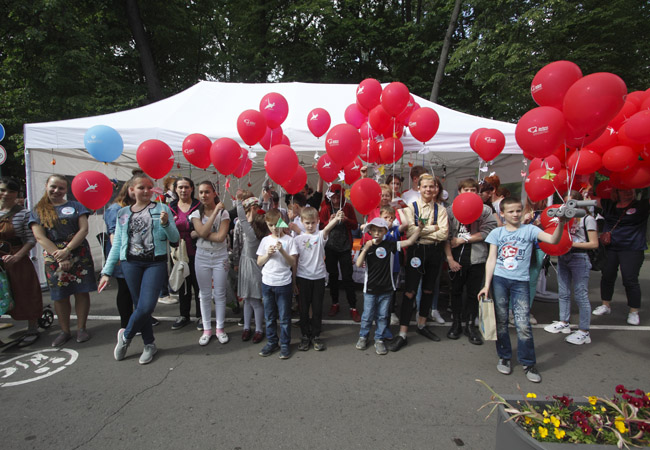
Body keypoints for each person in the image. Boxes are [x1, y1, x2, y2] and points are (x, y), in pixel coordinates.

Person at [478, 197, 568, 383]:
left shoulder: (531, 230)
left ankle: (528, 362)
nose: (515, 214)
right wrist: (486, 285)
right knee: (501, 321)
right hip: (500, 281)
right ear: (502, 214)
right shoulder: (497, 233)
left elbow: (553, 239)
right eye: (511, 211)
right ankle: (504, 356)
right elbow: (491, 259)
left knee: (523, 324)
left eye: (518, 210)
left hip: (521, 282)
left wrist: (561, 223)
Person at [99, 174, 179, 365]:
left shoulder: (162, 208)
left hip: (155, 262)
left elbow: (175, 239)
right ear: (131, 190)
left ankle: (126, 336)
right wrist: (106, 272)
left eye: (149, 187)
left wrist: (166, 223)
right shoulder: (123, 213)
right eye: (141, 187)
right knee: (139, 307)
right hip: (131, 264)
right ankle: (149, 344)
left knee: (146, 307)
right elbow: (117, 243)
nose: (146, 191)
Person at [30, 174, 96, 347]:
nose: (57, 191)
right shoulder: (38, 210)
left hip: (78, 252)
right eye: (53, 187)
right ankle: (65, 331)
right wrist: (58, 254)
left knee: (81, 291)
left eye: (61, 188)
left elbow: (83, 229)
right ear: (46, 186)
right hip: (54, 257)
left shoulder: (76, 206)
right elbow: (39, 236)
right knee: (60, 295)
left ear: (66, 190)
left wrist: (67, 250)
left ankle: (81, 328)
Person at [389, 174, 449, 351]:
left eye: (432, 186)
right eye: (425, 187)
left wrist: (423, 230)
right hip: (416, 250)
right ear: (419, 188)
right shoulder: (410, 208)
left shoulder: (442, 210)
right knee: (409, 292)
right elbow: (410, 232)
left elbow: (444, 234)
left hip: (434, 251)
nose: (429, 190)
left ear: (436, 188)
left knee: (429, 289)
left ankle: (422, 325)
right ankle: (403, 333)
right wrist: (433, 228)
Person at [355, 217, 421, 355]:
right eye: (374, 230)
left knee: (383, 315)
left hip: (387, 288)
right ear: (370, 232)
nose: (377, 233)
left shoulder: (390, 245)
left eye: (380, 230)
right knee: (367, 315)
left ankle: (379, 339)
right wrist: (365, 249)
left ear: (385, 231)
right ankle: (363, 336)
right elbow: (358, 263)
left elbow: (408, 242)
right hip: (370, 289)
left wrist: (419, 229)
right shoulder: (367, 245)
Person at [444, 178, 497, 345]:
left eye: (473, 190)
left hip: (478, 257)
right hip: (456, 258)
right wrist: (450, 258)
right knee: (456, 291)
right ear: (460, 192)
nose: (470, 193)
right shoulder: (450, 210)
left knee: (474, 293)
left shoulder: (485, 210)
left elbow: (489, 231)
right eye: (466, 190)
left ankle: (470, 324)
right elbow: (445, 236)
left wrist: (463, 239)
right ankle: (457, 323)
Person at [544, 190, 598, 345]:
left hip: (579, 256)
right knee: (563, 292)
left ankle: (584, 331)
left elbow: (594, 243)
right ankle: (563, 321)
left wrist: (570, 244)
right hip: (564, 256)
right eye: (565, 202)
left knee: (581, 294)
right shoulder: (564, 219)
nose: (567, 206)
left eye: (571, 202)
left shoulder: (587, 219)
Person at [593, 188, 649, 325]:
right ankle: (605, 305)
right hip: (610, 248)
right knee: (607, 276)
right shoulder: (609, 204)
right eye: (624, 190)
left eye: (631, 190)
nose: (628, 192)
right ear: (617, 192)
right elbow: (589, 198)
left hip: (632, 249)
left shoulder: (642, 205)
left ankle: (634, 312)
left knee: (630, 279)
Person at [294, 207, 343, 352]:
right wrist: (294, 281)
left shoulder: (320, 236)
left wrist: (337, 218)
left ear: (318, 221)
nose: (310, 225)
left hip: (319, 278)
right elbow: (295, 261)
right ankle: (304, 336)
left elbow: (327, 228)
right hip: (303, 278)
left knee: (317, 308)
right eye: (307, 223)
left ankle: (315, 336)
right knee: (303, 310)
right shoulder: (297, 239)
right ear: (302, 222)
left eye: (313, 223)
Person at [0, 177, 42, 347]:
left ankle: (32, 327)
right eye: (3, 190)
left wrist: (18, 256)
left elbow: (31, 239)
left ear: (17, 193)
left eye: (11, 191)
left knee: (25, 292)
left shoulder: (23, 213)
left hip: (17, 258)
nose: (6, 194)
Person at [189, 181, 231, 345]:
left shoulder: (225, 213)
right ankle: (207, 329)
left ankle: (220, 328)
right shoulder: (195, 214)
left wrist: (199, 233)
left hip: (220, 256)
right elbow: (204, 231)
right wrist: (213, 215)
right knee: (204, 294)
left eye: (207, 192)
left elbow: (220, 237)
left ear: (214, 193)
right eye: (201, 192)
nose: (204, 195)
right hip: (202, 257)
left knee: (220, 293)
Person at [256, 208, 298, 359]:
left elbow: (292, 262)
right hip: (267, 282)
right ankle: (272, 341)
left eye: (277, 224)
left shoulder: (289, 240)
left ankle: (285, 344)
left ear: (282, 222)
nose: (274, 228)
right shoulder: (265, 241)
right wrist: (268, 253)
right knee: (269, 316)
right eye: (271, 225)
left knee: (285, 317)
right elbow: (259, 262)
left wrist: (282, 251)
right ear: (267, 224)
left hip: (283, 283)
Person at [319, 184, 360, 322]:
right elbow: (319, 227)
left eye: (338, 196)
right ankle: (335, 303)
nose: (336, 199)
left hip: (345, 247)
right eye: (333, 197)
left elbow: (355, 225)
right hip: (330, 248)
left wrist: (346, 220)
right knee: (333, 277)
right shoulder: (325, 208)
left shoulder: (347, 208)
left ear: (341, 196)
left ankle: (353, 307)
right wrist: (328, 221)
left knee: (348, 278)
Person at [168, 177, 201, 330]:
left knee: (198, 284)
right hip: (178, 253)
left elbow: (207, 224)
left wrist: (199, 232)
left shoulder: (198, 206)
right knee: (183, 284)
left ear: (192, 189)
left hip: (196, 251)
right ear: (175, 189)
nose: (183, 190)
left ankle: (201, 316)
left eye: (186, 187)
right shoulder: (170, 207)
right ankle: (184, 315)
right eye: (180, 187)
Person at [234, 192, 267, 343]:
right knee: (248, 300)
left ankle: (258, 328)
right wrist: (263, 202)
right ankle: (247, 327)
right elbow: (263, 213)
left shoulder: (252, 234)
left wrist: (239, 202)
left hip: (250, 268)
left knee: (252, 301)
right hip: (251, 266)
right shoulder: (262, 232)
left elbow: (241, 218)